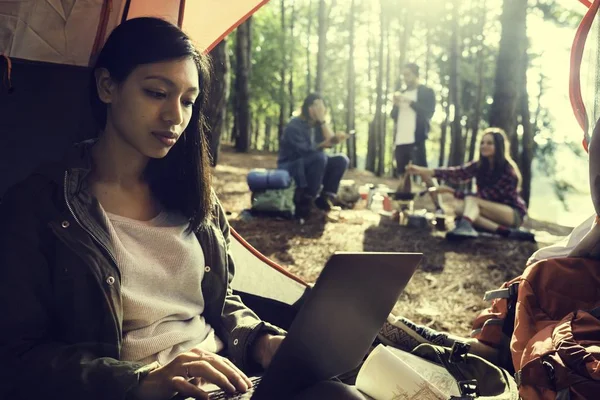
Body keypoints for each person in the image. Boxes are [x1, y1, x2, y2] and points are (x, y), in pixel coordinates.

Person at [0, 18, 364, 400]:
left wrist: (260, 341)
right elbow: (16, 356)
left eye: (188, 101)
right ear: (107, 86)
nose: (176, 116)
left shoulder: (193, 196)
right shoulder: (42, 206)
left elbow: (221, 300)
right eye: (157, 92)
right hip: (140, 391)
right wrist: (139, 381)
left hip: (233, 382)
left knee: (341, 395)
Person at [407, 128, 529, 240]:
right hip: (487, 210)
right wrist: (425, 171)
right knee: (460, 209)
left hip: (511, 213)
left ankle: (465, 226)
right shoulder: (480, 165)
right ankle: (504, 232)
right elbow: (457, 173)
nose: (484, 146)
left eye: (489, 143)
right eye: (482, 142)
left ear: (499, 146)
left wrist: (451, 191)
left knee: (471, 202)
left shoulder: (508, 171)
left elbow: (486, 196)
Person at [277, 93, 350, 218]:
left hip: (312, 161)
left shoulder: (317, 125)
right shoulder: (294, 125)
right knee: (320, 158)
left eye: (321, 107)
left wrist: (323, 122)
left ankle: (324, 199)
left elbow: (330, 142)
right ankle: (307, 200)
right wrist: (322, 145)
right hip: (292, 164)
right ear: (308, 108)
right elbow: (303, 150)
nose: (320, 110)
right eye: (316, 106)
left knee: (341, 160)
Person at [390, 63, 436, 176]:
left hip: (416, 139)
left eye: (408, 74)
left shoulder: (426, 92)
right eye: (403, 75)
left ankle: (434, 193)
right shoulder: (401, 93)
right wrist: (395, 105)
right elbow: (393, 116)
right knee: (402, 175)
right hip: (400, 140)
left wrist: (410, 102)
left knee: (424, 172)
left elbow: (428, 112)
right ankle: (405, 194)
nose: (405, 78)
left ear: (416, 75)